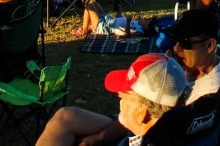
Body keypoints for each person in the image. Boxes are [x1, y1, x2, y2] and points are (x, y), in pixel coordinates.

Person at [36, 52, 190, 146]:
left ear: (142, 113)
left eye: (125, 95)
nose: (119, 97)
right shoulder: (182, 123)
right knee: (66, 116)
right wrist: (98, 138)